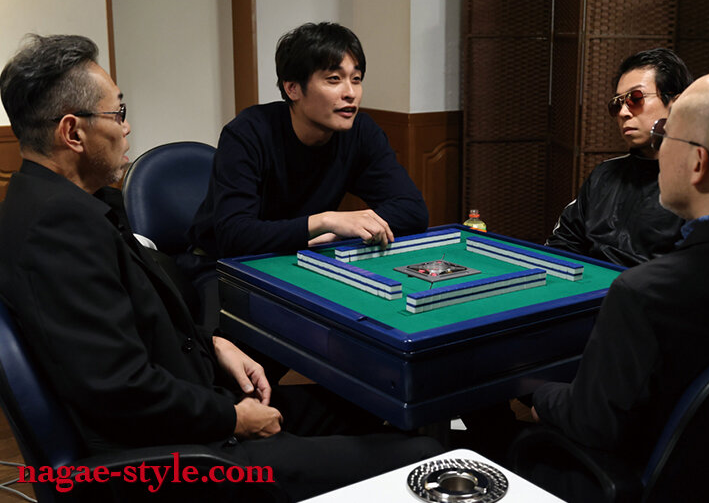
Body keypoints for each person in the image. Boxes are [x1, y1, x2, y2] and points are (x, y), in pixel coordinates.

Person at [0, 34, 441, 501]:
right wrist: (233, 418)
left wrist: (213, 344)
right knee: (427, 457)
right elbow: (120, 391)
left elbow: (135, 328)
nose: (127, 128)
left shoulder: (64, 204)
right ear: (73, 133)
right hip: (187, 456)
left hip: (196, 396)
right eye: (118, 113)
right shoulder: (57, 230)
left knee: (379, 405)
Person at [528, 70, 709, 497]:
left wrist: (534, 393)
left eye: (665, 136)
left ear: (698, 163)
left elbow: (592, 423)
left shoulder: (645, 294)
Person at [182, 21, 428, 327]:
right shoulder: (248, 132)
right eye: (334, 79)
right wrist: (324, 221)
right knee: (230, 343)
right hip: (221, 264)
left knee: (370, 327)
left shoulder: (361, 133)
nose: (350, 93)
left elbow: (413, 210)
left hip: (305, 260)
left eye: (356, 79)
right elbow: (235, 235)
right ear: (292, 88)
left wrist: (337, 230)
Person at [546, 48, 691, 267]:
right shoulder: (604, 175)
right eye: (617, 103)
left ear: (676, 103)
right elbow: (563, 243)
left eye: (635, 98)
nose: (623, 113)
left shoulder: (700, 184)